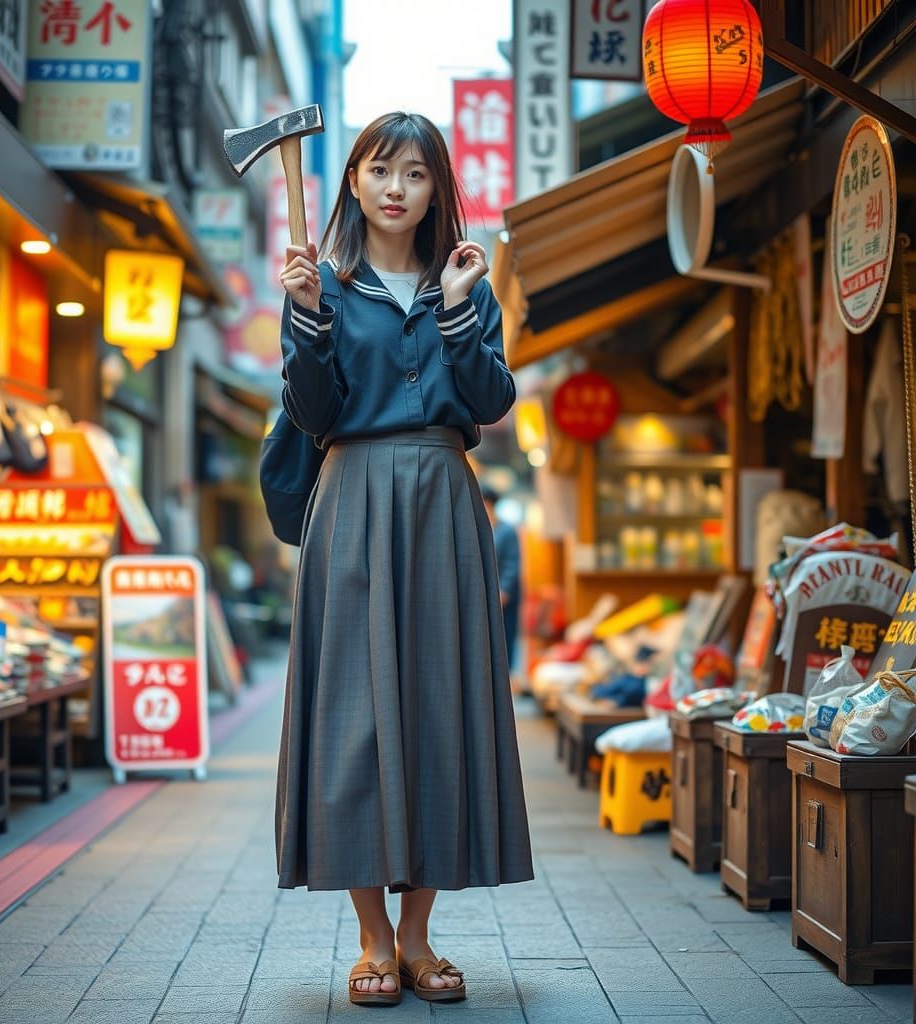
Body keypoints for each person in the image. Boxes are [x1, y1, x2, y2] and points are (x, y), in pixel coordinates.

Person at [276, 111, 534, 1007]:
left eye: (416, 174)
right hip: (351, 504)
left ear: (438, 190)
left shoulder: (464, 280)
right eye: (381, 169)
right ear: (352, 180)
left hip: (442, 501)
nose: (396, 188)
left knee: (439, 707)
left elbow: (491, 398)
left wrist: (463, 312)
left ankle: (419, 937)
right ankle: (372, 938)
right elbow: (313, 413)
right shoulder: (326, 285)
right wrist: (307, 321)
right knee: (353, 721)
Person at [482, 486, 521, 673]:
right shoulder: (480, 527)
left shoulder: (506, 531)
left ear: (489, 503)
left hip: (504, 596)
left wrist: (504, 590)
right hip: (486, 595)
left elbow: (513, 563)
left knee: (506, 635)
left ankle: (507, 675)